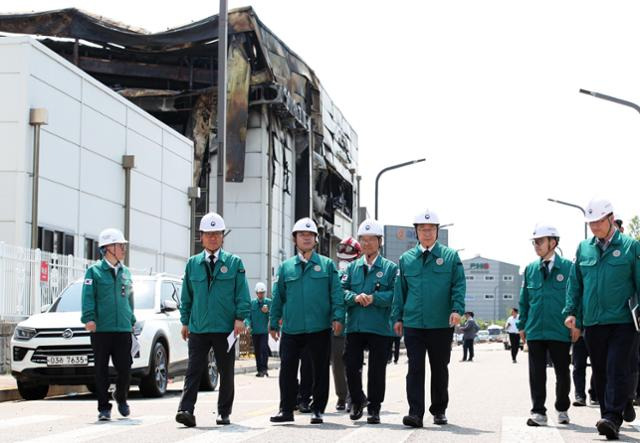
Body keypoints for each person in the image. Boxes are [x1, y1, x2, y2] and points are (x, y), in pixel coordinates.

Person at [564, 198, 640, 440]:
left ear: (610, 218)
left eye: (598, 221)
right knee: (600, 371)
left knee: (617, 366)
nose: (594, 226)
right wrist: (571, 312)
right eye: (590, 222)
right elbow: (575, 283)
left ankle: (612, 417)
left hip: (623, 320)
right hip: (594, 322)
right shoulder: (583, 248)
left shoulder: (630, 247)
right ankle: (613, 412)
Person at [175, 212, 251, 428]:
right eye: (208, 234)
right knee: (193, 370)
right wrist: (185, 321)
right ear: (201, 237)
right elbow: (186, 296)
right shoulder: (192, 264)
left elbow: (242, 294)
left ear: (222, 236)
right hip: (198, 327)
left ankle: (223, 412)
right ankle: (185, 409)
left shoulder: (235, 263)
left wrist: (240, 318)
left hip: (225, 327)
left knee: (226, 371)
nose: (213, 238)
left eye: (217, 233)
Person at [391, 209, 465, 428]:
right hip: (413, 322)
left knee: (439, 367)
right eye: (422, 229)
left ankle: (439, 410)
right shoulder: (406, 259)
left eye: (431, 229)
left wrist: (456, 309)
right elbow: (400, 290)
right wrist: (397, 317)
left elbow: (458, 285)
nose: (426, 233)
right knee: (415, 367)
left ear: (437, 231)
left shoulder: (450, 257)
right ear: (416, 232)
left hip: (441, 323)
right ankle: (415, 412)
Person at [269, 217, 345, 425]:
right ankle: (286, 409)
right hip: (292, 329)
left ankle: (318, 409)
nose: (306, 238)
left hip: (318, 327)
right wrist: (274, 321)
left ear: (316, 239)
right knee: (287, 370)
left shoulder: (327, 265)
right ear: (295, 239)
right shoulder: (286, 268)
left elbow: (336, 294)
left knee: (320, 370)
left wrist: (338, 317)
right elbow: (278, 297)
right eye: (302, 235)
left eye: (310, 235)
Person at [518, 223, 575, 427]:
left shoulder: (569, 267)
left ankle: (562, 408)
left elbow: (575, 296)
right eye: (535, 242)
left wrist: (577, 323)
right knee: (536, 374)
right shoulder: (531, 269)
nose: (537, 245)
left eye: (540, 241)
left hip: (560, 329)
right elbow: (524, 299)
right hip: (535, 330)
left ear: (554, 242)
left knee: (562, 372)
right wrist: (522, 324)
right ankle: (538, 411)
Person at [342, 219, 397, 424]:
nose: (367, 244)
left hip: (379, 326)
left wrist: (375, 298)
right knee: (350, 364)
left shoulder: (390, 268)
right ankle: (357, 400)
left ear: (379, 241)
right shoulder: (352, 267)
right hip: (355, 324)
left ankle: (374, 408)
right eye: (363, 240)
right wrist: (354, 297)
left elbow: (394, 295)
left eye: (371, 239)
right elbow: (341, 290)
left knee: (377, 369)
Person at [81, 228, 136, 421]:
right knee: (101, 369)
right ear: (108, 248)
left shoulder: (126, 272)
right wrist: (89, 318)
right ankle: (104, 407)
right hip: (101, 330)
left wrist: (132, 320)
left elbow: (129, 299)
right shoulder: (94, 272)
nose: (123, 249)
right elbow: (88, 297)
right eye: (120, 245)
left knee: (125, 368)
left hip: (122, 329)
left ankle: (121, 397)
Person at [334, 236, 361, 411]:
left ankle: (355, 396)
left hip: (353, 324)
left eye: (349, 252)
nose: (344, 255)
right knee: (337, 362)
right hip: (337, 323)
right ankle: (342, 396)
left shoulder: (360, 272)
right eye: (342, 250)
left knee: (353, 363)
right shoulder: (332, 272)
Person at [246, 282, 271, 377]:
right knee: (257, 351)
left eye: (262, 293)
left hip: (264, 331)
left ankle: (264, 369)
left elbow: (273, 314)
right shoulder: (252, 303)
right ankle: (259, 370)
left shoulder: (268, 302)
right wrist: (248, 325)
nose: (261, 294)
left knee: (263, 349)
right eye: (259, 293)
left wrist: (267, 311)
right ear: (256, 293)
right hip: (255, 331)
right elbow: (248, 317)